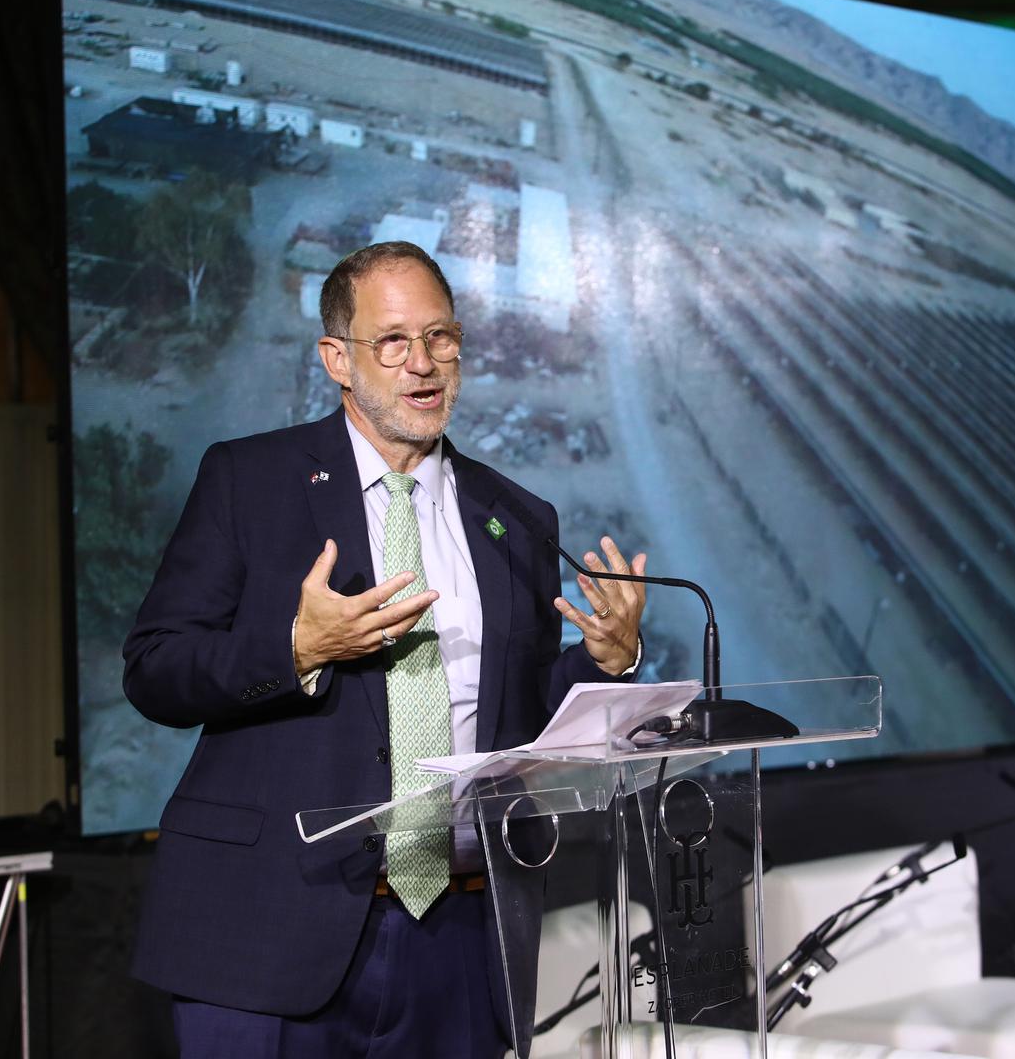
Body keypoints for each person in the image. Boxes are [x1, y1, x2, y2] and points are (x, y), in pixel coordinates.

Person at [122, 240, 647, 1058]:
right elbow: (155, 669)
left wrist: (607, 661)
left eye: (440, 338)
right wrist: (294, 650)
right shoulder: (249, 482)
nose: (423, 364)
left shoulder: (515, 516)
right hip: (269, 927)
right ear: (337, 358)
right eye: (393, 341)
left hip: (460, 932)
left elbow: (525, 718)